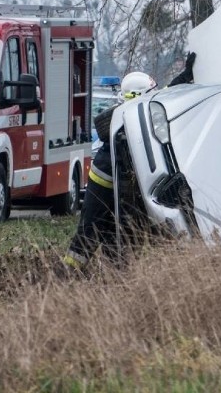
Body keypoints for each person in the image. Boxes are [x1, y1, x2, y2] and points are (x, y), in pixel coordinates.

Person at [62, 71, 158, 271]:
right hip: (104, 184)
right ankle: (66, 275)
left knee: (117, 235)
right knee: (91, 230)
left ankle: (112, 275)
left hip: (116, 188)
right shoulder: (126, 128)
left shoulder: (134, 120)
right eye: (151, 94)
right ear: (139, 97)